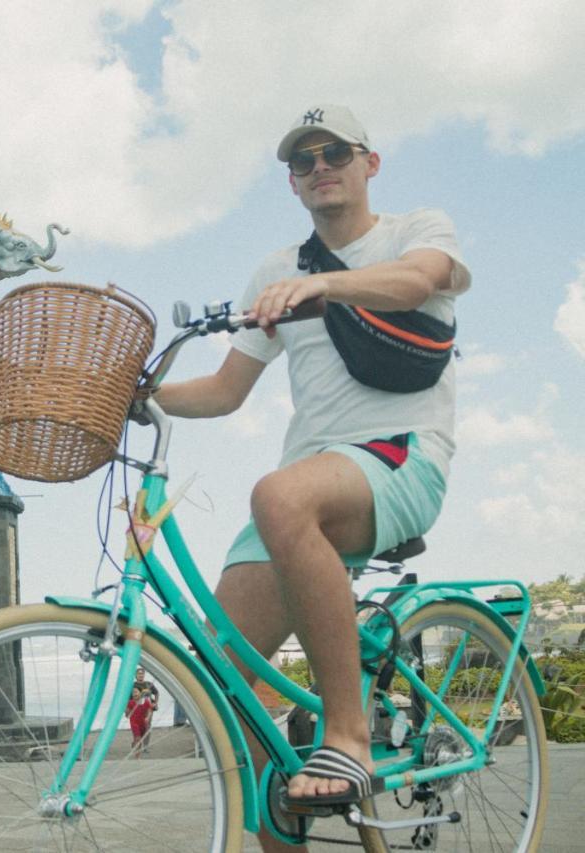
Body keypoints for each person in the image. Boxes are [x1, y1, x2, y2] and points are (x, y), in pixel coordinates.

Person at [149, 104, 469, 844]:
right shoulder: (277, 270)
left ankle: (348, 733)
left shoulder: (417, 231)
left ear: (369, 163)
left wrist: (324, 289)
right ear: (292, 184)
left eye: (335, 153)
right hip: (301, 493)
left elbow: (418, 284)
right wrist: (138, 399)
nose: (320, 166)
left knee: (278, 492)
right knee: (225, 687)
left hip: (402, 457)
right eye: (303, 161)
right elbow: (225, 392)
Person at [126, 685, 155, 753]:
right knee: (138, 738)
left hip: (142, 723)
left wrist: (148, 717)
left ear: (140, 693)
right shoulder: (130, 702)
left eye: (136, 692)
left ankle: (134, 744)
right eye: (133, 692)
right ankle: (137, 755)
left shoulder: (146, 701)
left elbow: (150, 710)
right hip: (134, 723)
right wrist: (127, 712)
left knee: (140, 738)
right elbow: (127, 714)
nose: (135, 694)